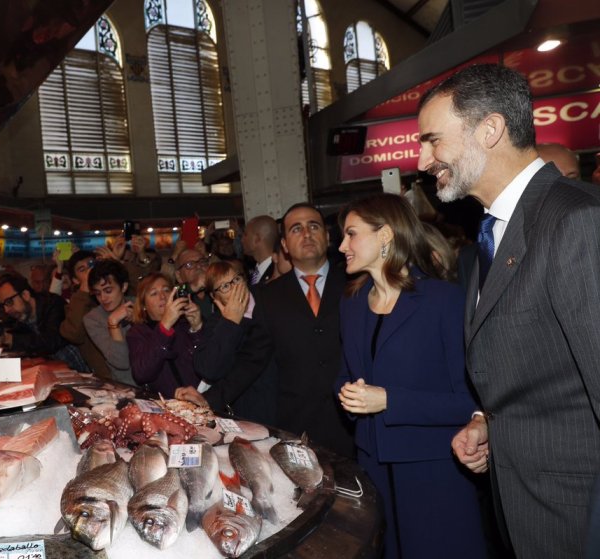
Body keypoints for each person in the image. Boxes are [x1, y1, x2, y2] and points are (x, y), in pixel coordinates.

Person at [417, 63, 600, 558]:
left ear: (490, 129)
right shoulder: (490, 234)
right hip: (526, 506)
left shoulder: (576, 220)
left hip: (578, 518)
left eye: (432, 140)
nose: (422, 159)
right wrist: (490, 422)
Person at [336, 193, 485, 559]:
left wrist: (389, 400)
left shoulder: (443, 301)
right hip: (372, 469)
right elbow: (345, 374)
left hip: (434, 473)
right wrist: (349, 397)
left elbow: (469, 400)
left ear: (385, 235)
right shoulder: (352, 305)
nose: (342, 246)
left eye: (352, 234)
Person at [236, 203, 354, 457]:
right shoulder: (268, 297)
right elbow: (252, 359)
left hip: (355, 424)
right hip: (299, 427)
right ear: (285, 246)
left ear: (328, 236)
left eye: (314, 226)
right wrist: (207, 395)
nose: (307, 234)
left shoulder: (355, 284)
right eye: (296, 229)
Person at [178, 261, 276, 424]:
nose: (234, 289)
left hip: (278, 405)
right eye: (224, 287)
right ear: (214, 297)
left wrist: (209, 400)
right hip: (245, 415)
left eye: (236, 280)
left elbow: (253, 359)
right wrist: (230, 323)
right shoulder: (218, 321)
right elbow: (208, 369)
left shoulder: (268, 300)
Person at [126, 272, 203, 397]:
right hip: (167, 406)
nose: (162, 296)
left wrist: (197, 329)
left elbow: (210, 365)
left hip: (203, 397)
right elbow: (141, 374)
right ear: (143, 305)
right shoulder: (138, 333)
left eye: (166, 290)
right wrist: (165, 326)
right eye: (154, 293)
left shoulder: (186, 322)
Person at [83, 259, 135, 385]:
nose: (103, 298)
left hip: (160, 381)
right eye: (97, 293)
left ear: (124, 287)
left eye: (108, 291)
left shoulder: (140, 304)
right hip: (128, 386)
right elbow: (121, 362)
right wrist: (113, 322)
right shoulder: (93, 318)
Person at [59, 251, 107, 377]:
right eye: (82, 269)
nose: (89, 270)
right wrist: (85, 287)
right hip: (107, 377)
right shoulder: (76, 305)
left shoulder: (113, 293)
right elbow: (75, 335)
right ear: (75, 280)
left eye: (92, 265)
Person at [174, 248, 216, 321]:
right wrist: (193, 286)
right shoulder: (177, 297)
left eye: (202, 262)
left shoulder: (218, 288)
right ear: (178, 276)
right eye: (190, 264)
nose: (199, 266)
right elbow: (175, 292)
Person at [241, 215, 278, 286]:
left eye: (245, 235)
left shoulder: (277, 273)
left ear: (257, 239)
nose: (242, 240)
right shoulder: (253, 272)